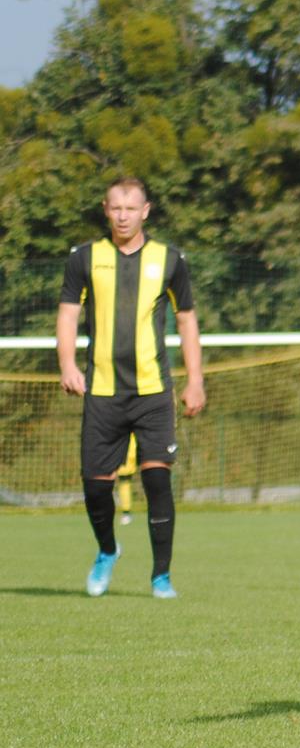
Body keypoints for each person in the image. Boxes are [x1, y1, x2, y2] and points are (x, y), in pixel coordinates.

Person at [58, 177, 206, 599]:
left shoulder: (170, 259)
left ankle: (161, 576)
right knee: (96, 487)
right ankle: (107, 550)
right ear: (106, 209)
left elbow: (187, 320)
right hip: (102, 392)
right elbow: (68, 314)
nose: (123, 216)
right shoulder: (84, 258)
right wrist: (67, 365)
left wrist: (195, 380)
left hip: (153, 393)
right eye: (116, 208)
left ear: (146, 211)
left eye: (131, 208)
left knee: (157, 481)